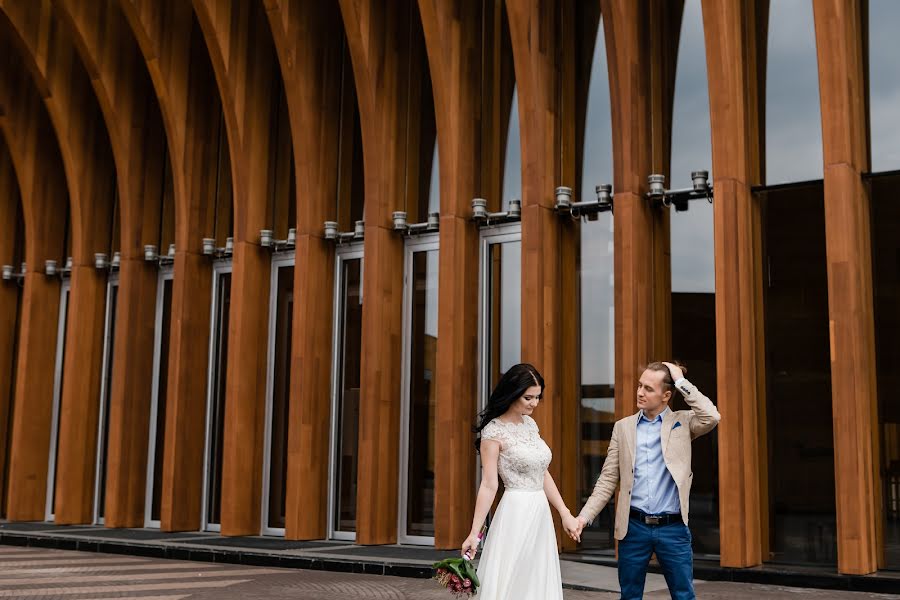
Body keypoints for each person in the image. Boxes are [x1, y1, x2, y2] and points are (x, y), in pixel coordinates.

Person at [574, 361, 720, 600]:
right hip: (634, 528)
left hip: (673, 529)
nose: (640, 392)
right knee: (630, 596)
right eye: (640, 386)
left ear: (666, 395)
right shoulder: (623, 428)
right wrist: (584, 517)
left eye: (648, 388)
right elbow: (608, 479)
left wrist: (680, 380)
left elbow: (712, 416)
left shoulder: (683, 423)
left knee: (684, 596)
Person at [460, 363, 580, 599]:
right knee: (513, 579)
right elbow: (489, 484)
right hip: (515, 512)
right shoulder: (493, 432)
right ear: (513, 393)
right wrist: (474, 533)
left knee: (536, 579)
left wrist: (565, 513)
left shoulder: (530, 424)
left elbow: (542, 472)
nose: (534, 403)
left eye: (538, 397)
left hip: (540, 512)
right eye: (528, 397)